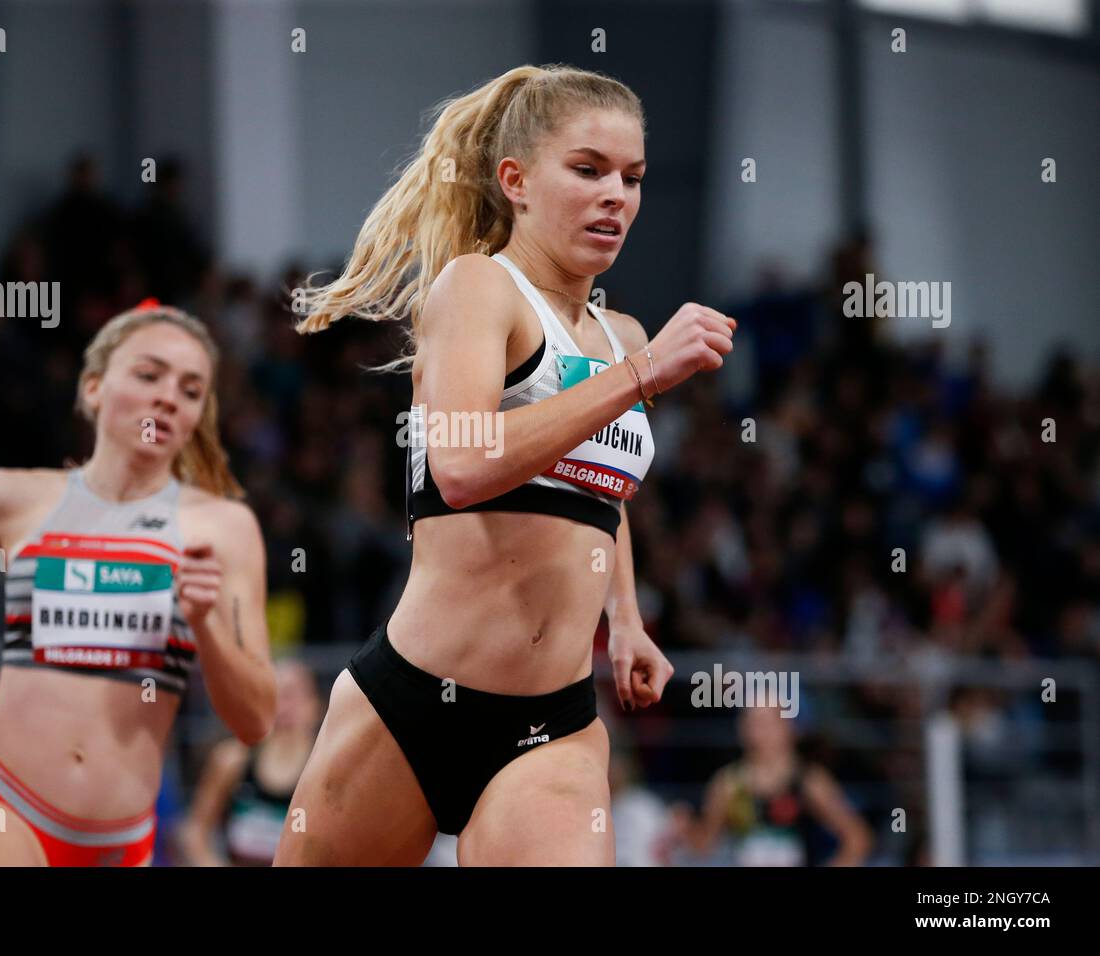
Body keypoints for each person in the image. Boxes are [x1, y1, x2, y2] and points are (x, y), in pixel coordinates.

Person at [275, 63, 736, 866]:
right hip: (410, 704)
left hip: (552, 727)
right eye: (588, 170)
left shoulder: (622, 335)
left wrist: (625, 619)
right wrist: (643, 377)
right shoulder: (479, 289)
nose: (615, 196)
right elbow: (460, 464)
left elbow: (601, 489)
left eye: (632, 178)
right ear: (516, 180)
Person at [0, 301, 276, 865]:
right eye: (148, 375)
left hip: (123, 842)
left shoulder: (225, 528)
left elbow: (256, 720)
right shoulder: (12, 497)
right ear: (93, 388)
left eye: (190, 390)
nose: (168, 396)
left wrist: (206, 626)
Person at [670, 704, 874, 866]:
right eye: (752, 723)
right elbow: (705, 844)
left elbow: (857, 838)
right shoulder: (729, 782)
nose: (759, 732)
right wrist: (686, 828)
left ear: (787, 728)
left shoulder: (808, 780)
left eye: (767, 722)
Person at [179, 659, 321, 865]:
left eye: (292, 695)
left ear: (314, 706)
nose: (284, 707)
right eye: (274, 696)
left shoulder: (326, 773)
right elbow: (194, 833)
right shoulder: (232, 760)